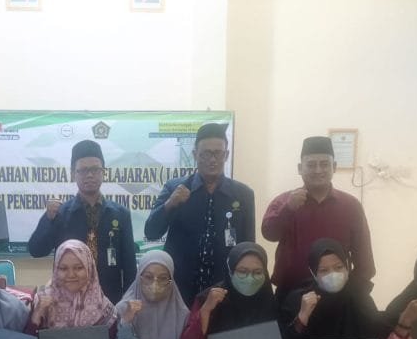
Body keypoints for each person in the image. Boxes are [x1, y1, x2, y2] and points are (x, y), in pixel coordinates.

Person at [144, 123, 255, 302]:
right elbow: (151, 232)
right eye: (205, 153)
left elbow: (249, 247)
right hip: (179, 291)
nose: (212, 160)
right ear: (195, 154)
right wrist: (170, 203)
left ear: (226, 155)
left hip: (224, 290)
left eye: (218, 153)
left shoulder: (243, 195)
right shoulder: (175, 188)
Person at [262, 136, 375, 297]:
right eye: (311, 165)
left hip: (338, 295)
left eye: (324, 164)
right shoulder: (284, 201)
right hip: (291, 295)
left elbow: (364, 257)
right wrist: (288, 209)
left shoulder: (351, 205)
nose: (318, 170)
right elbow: (269, 234)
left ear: (334, 167)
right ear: (300, 168)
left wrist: (354, 293)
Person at [28, 140, 136, 304]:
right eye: (83, 170)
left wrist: (127, 302)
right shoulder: (61, 213)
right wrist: (47, 219)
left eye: (95, 169)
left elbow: (129, 266)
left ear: (104, 172)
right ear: (73, 174)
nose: (90, 175)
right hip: (68, 301)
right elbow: (36, 250)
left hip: (109, 299)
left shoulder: (121, 214)